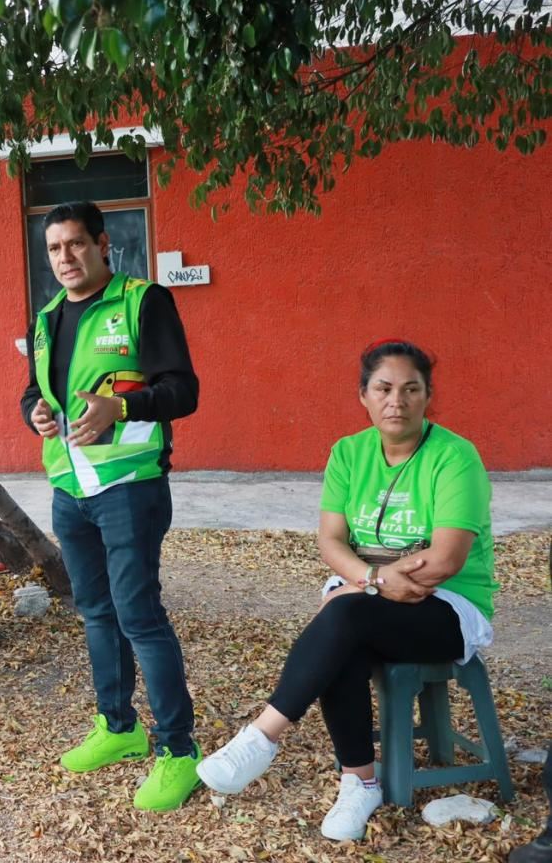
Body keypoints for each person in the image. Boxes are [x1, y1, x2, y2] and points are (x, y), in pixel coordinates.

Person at [198, 340, 500, 841]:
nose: (396, 401)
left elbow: (446, 559)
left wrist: (367, 582)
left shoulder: (454, 456)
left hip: (447, 608)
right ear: (364, 395)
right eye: (383, 388)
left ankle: (263, 737)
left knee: (342, 618)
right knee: (345, 634)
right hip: (369, 593)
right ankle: (360, 781)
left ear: (428, 395)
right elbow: (331, 540)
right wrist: (376, 581)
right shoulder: (349, 453)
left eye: (410, 389)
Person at [19, 201, 202, 812]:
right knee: (96, 612)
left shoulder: (142, 301)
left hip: (130, 488)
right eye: (54, 249)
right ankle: (118, 728)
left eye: (75, 245)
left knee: (139, 616)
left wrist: (120, 408)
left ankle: (178, 750)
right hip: (70, 490)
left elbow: (183, 390)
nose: (64, 258)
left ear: (102, 245)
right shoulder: (46, 317)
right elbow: (31, 391)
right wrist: (35, 414)